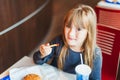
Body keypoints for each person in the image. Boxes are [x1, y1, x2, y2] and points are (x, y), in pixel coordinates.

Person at [33, 4, 102, 80]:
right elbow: (37, 61)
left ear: (89, 32)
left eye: (78, 29)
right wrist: (42, 54)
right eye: (68, 26)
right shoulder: (58, 42)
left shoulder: (95, 54)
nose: (71, 33)